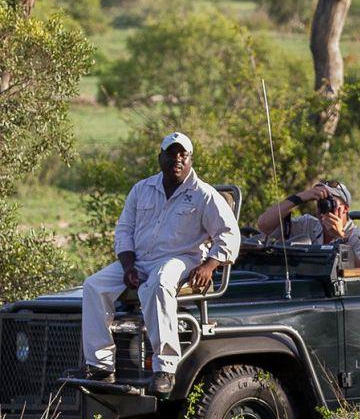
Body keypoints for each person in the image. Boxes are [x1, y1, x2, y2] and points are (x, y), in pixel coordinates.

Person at [78, 132, 240, 395]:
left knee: (161, 280)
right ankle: (101, 366)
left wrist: (210, 265)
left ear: (190, 159)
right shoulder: (142, 189)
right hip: (140, 260)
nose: (176, 159)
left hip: (182, 259)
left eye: (182, 154)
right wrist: (128, 265)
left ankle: (165, 368)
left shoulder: (204, 195)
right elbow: (124, 231)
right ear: (160, 158)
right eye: (171, 153)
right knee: (94, 286)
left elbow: (229, 234)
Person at [255, 179, 360, 268]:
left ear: (345, 209)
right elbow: (264, 225)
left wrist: (340, 239)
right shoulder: (308, 225)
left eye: (330, 203)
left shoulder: (359, 238)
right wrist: (299, 198)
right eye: (321, 203)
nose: (324, 208)